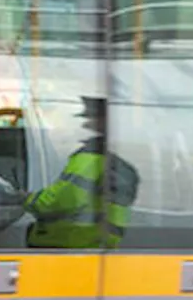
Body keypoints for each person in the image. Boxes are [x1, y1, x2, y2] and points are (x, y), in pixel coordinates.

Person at [24, 96, 139, 249]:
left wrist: (26, 199)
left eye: (90, 118)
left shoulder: (90, 158)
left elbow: (61, 200)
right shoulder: (120, 161)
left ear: (103, 122)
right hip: (97, 245)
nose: (86, 124)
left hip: (72, 245)